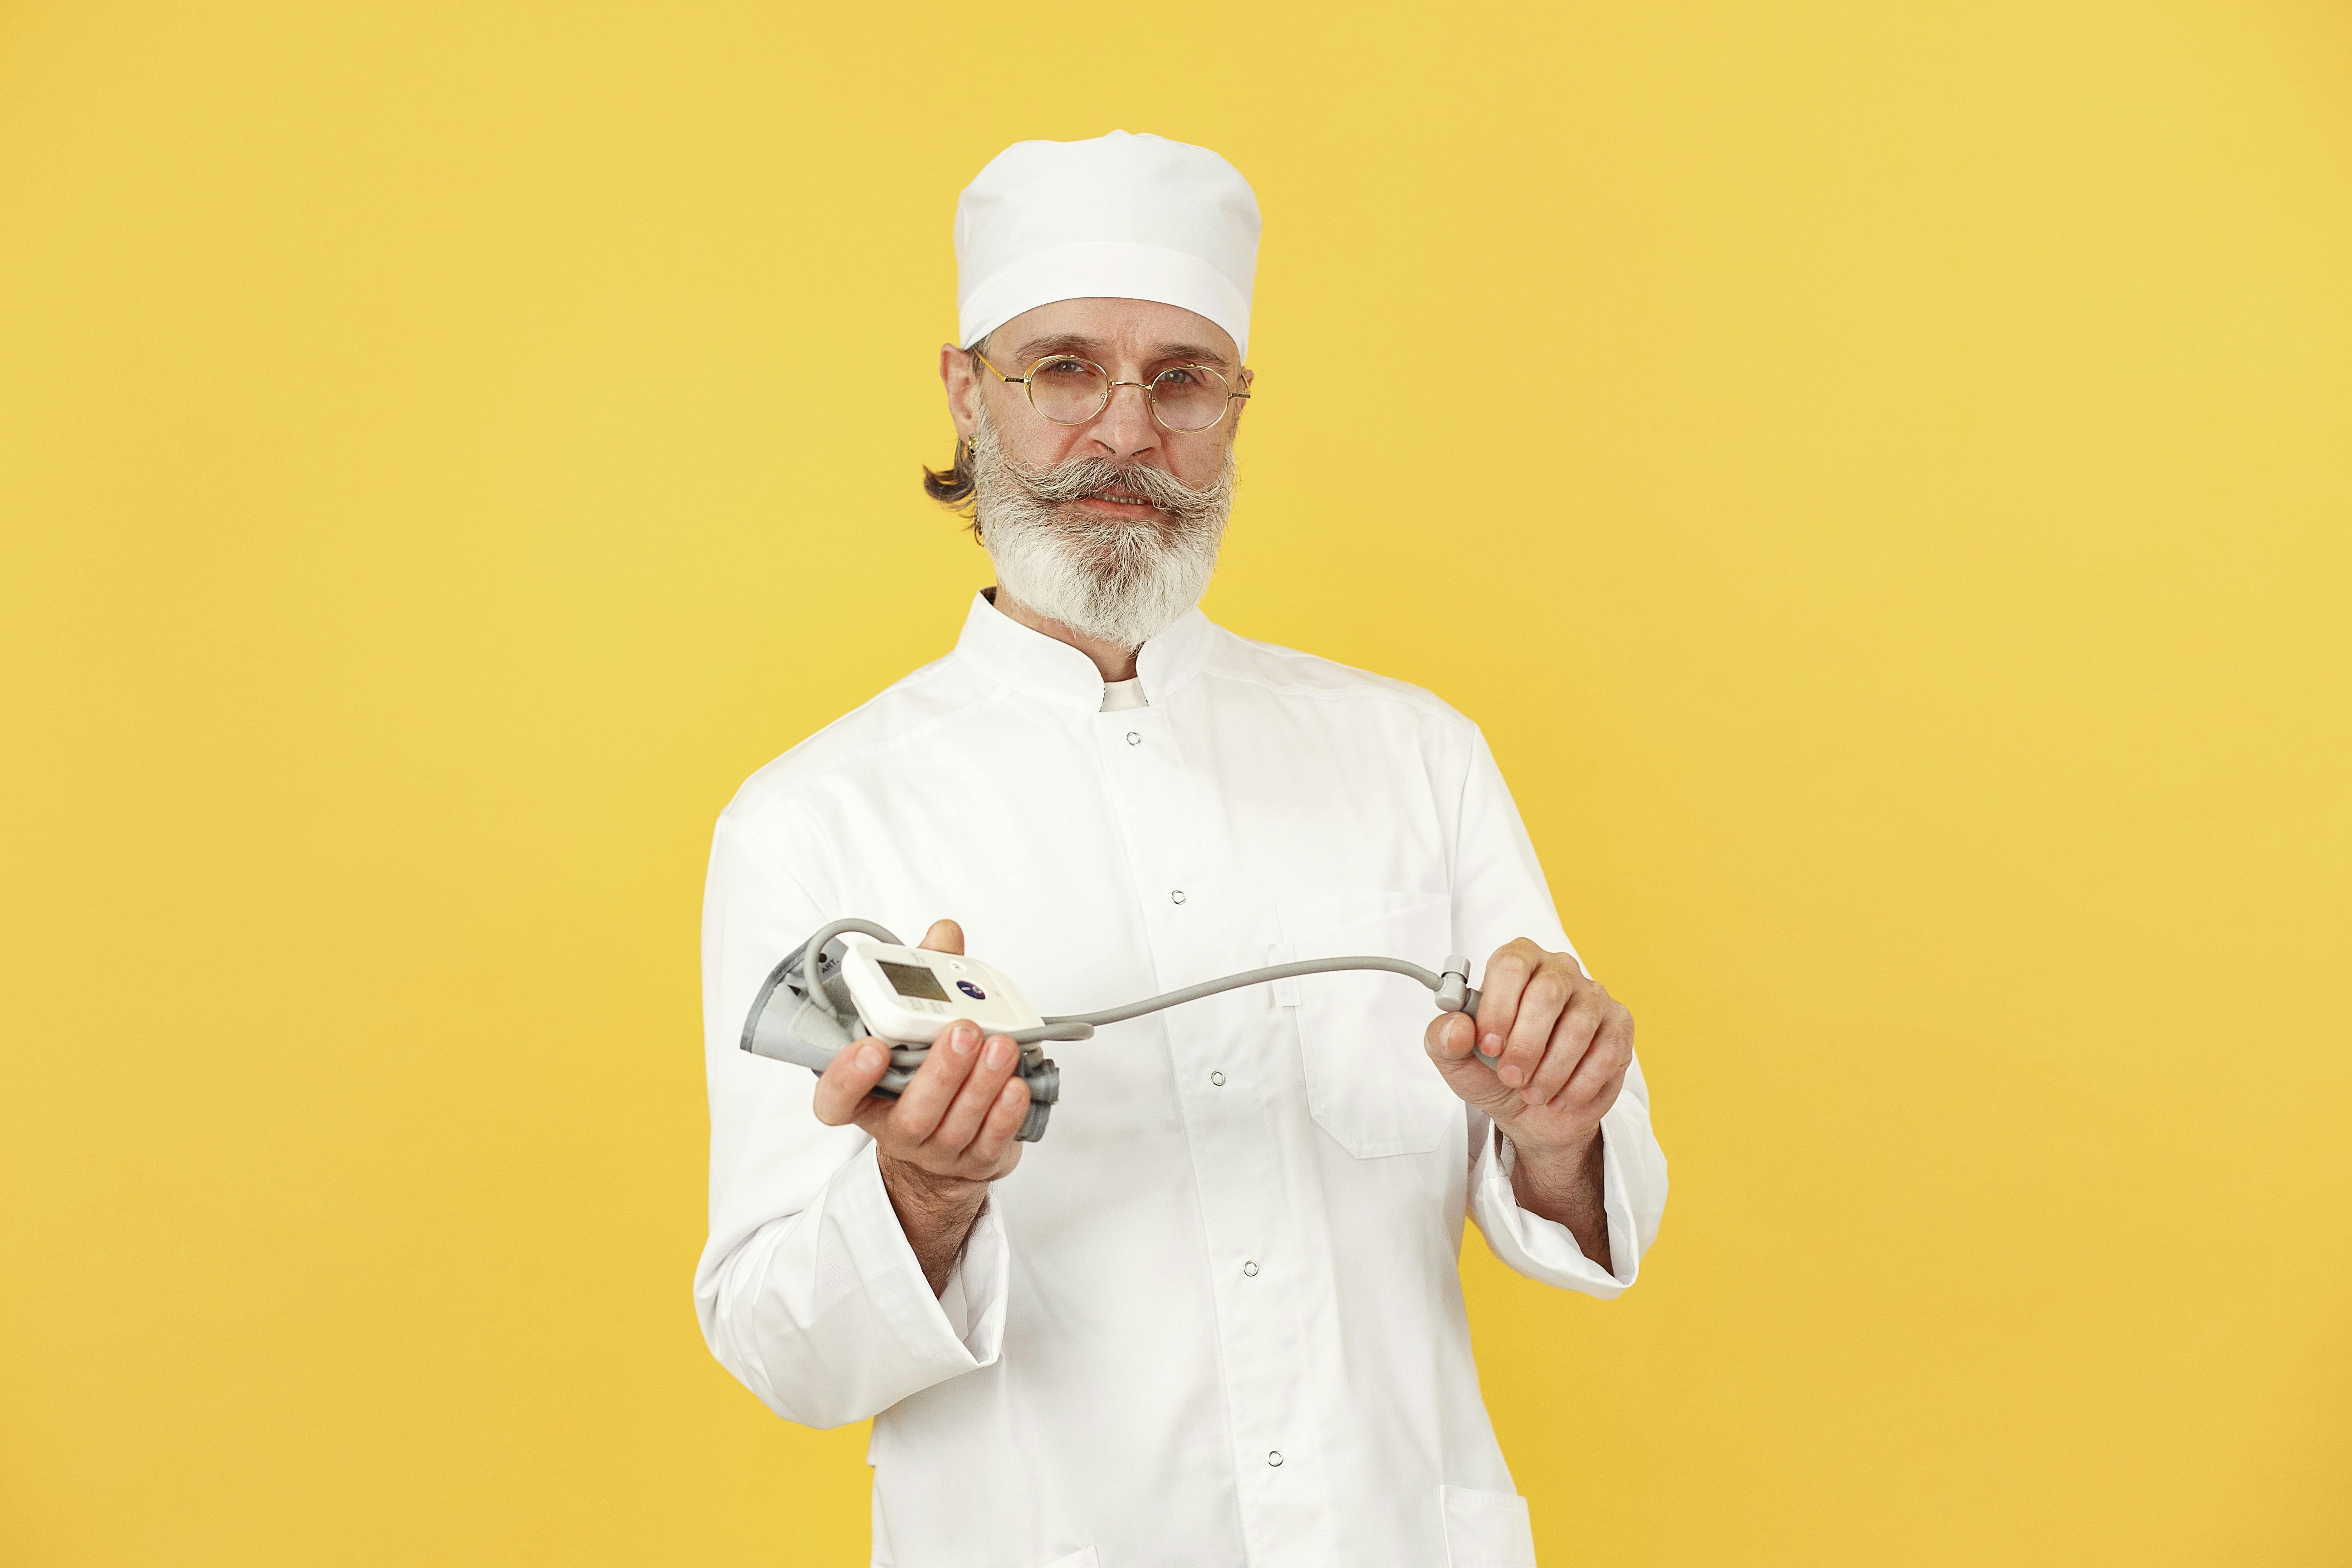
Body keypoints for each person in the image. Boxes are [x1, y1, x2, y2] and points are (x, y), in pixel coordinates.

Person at [695, 130, 1668, 1568]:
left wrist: (1561, 1120)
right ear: (970, 396)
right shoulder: (814, 818)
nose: (1126, 433)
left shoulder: (1414, 755)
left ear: (1234, 409)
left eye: (1182, 379)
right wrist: (927, 1195)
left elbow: (1581, 1203)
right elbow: (783, 1349)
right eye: (1064, 369)